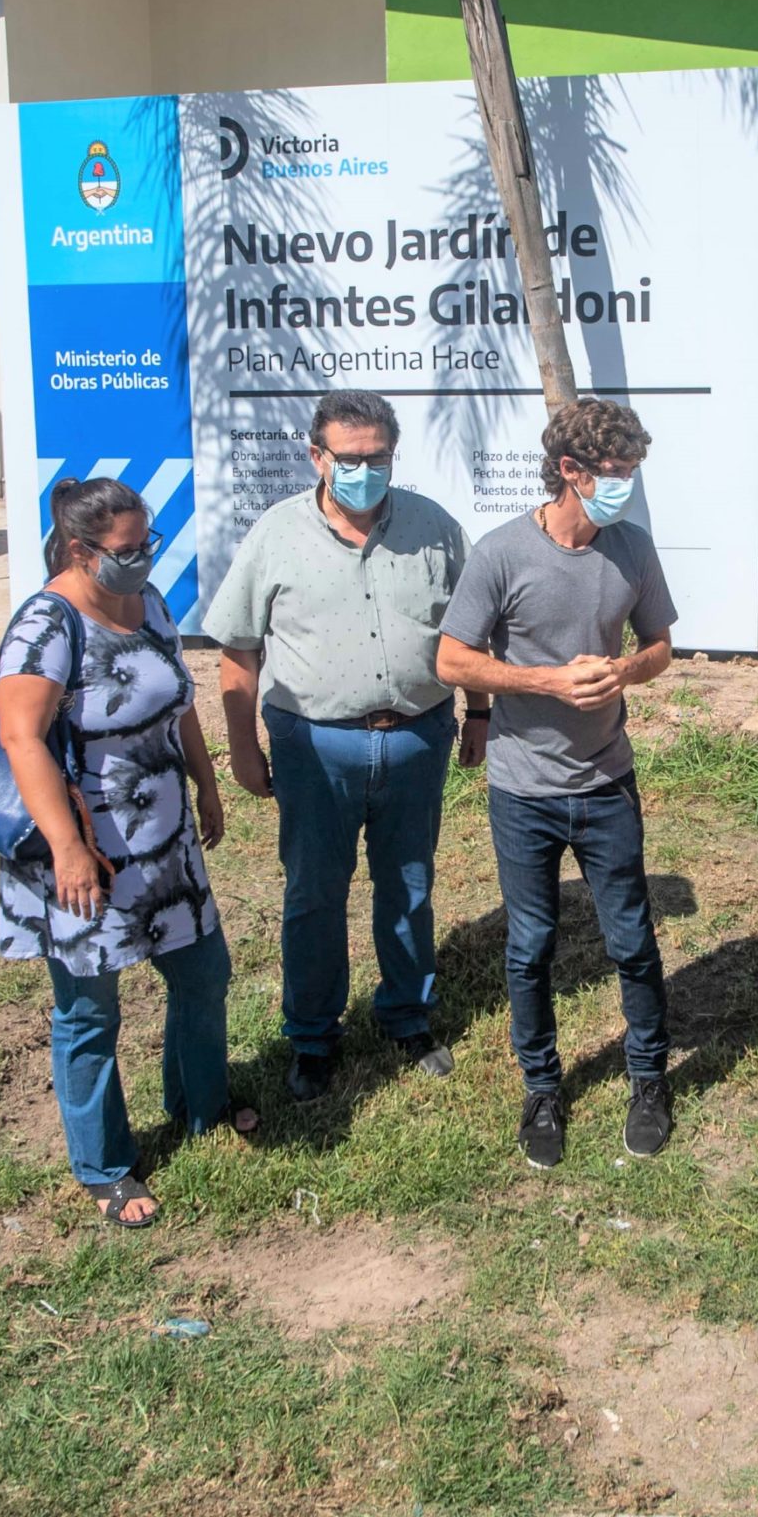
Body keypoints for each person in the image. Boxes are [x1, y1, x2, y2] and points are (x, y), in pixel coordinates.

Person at [205, 390, 480, 1102]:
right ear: (316, 456)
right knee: (314, 894)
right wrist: (241, 748)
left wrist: (478, 714)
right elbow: (238, 650)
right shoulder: (275, 534)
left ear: (393, 455)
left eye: (377, 458)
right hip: (313, 745)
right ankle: (313, 1036)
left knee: (410, 885)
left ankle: (407, 1016)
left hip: (417, 738)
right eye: (349, 458)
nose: (364, 470)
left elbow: (470, 632)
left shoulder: (435, 528)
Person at [0, 476, 252, 1229]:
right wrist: (69, 849)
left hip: (164, 840)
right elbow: (20, 738)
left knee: (204, 973)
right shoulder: (46, 626)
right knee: (89, 1011)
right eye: (128, 549)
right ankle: (105, 1167)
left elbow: (179, 702)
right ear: (81, 551)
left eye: (149, 543)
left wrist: (205, 784)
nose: (143, 558)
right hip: (85, 854)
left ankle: (200, 1105)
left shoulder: (152, 605)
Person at [437, 398, 679, 1170]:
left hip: (608, 781)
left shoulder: (632, 549)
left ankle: (649, 1078)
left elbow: (663, 646)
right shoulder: (502, 553)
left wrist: (624, 670)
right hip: (523, 788)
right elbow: (451, 661)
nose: (625, 489)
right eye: (614, 474)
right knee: (531, 945)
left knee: (632, 940)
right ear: (569, 472)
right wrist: (544, 681)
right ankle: (542, 1087)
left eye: (633, 473)